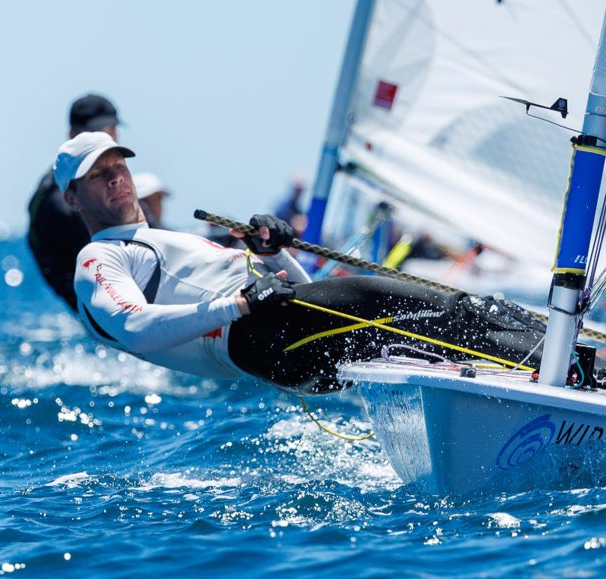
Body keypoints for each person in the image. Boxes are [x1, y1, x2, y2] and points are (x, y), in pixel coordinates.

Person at [57, 132, 547, 394]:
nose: (115, 179)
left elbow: (303, 289)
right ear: (73, 200)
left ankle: (551, 369)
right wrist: (239, 306)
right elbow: (135, 327)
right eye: (98, 176)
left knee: (433, 323)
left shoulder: (159, 240)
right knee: (440, 306)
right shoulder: (99, 256)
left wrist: (273, 255)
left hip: (280, 333)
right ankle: (557, 366)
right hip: (261, 340)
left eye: (118, 167)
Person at [27, 93, 122, 311]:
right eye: (99, 133)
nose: (106, 141)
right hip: (104, 309)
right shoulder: (61, 199)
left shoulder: (86, 184)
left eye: (111, 132)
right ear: (72, 135)